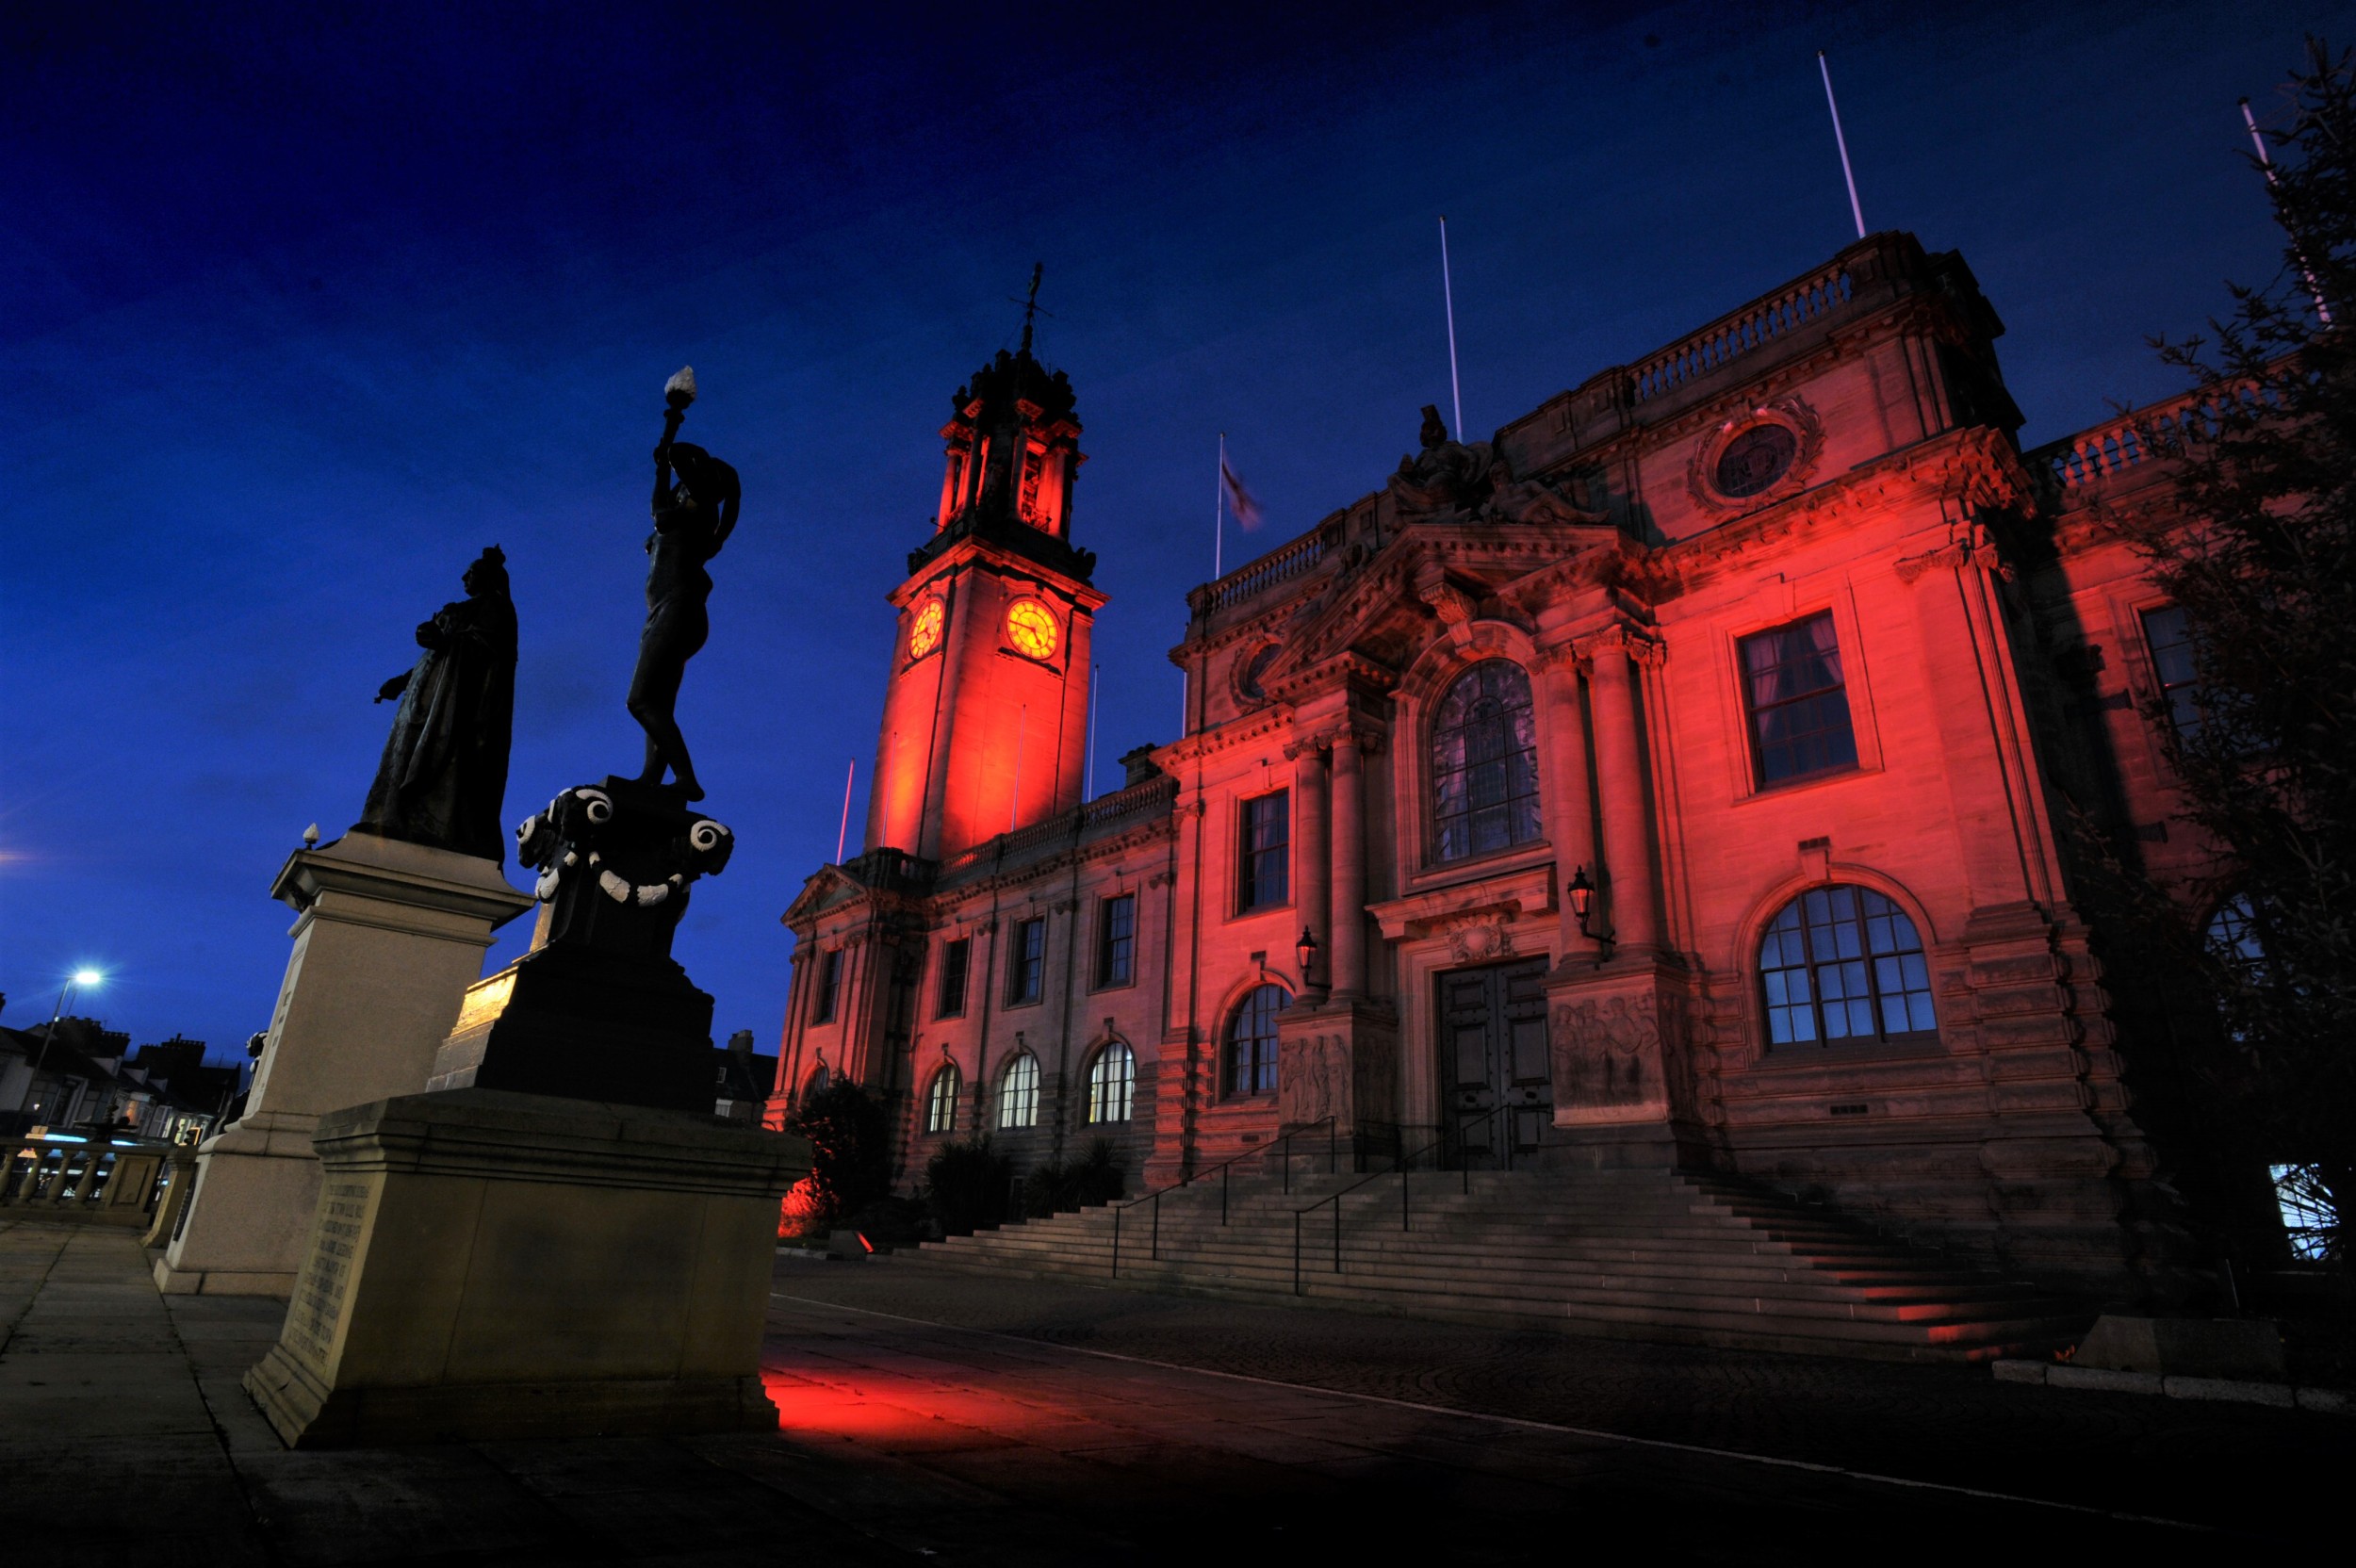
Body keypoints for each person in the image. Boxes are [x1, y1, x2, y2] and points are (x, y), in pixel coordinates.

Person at [356, 547, 517, 862]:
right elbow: (438, 654)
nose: (464, 577)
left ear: (488, 576)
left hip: (456, 705)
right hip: (428, 695)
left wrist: (442, 640)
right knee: (404, 754)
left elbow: (487, 650)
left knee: (439, 757)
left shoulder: (495, 607)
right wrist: (403, 680)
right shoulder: (465, 608)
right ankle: (394, 817)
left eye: (471, 571)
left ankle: (434, 824)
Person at [630, 436, 739, 800]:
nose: (677, 494)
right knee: (657, 704)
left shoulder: (702, 509)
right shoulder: (683, 510)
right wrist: (662, 468)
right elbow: (659, 506)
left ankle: (686, 778)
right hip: (664, 611)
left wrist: (673, 456)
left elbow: (660, 514)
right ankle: (651, 777)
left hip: (679, 609)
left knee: (640, 700)